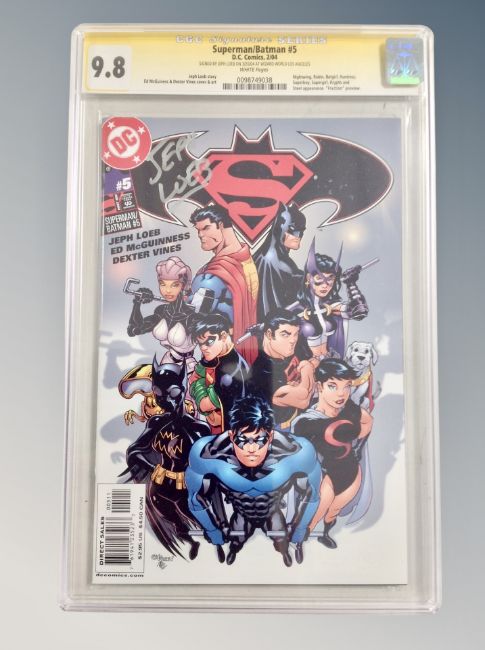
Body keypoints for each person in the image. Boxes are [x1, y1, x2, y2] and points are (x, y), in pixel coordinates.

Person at [185, 396, 321, 566]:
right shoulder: (208, 454)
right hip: (242, 513)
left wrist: (299, 529)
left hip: (272, 511)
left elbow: (312, 496)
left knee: (281, 540)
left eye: (259, 439)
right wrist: (213, 529)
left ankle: (286, 551)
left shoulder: (296, 452)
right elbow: (195, 500)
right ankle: (233, 550)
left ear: (270, 436)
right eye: (243, 440)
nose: (251, 449)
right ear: (231, 436)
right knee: (237, 540)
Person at [119, 359, 212, 560]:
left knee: (201, 519)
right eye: (158, 394)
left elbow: (211, 460)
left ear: (183, 391)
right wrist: (151, 467)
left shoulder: (199, 428)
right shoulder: (156, 423)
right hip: (160, 487)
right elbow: (134, 451)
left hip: (187, 487)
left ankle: (214, 540)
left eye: (173, 393)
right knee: (173, 521)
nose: (165, 400)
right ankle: (191, 542)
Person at [291, 358, 373, 549]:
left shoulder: (350, 409)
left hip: (351, 472)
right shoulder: (305, 422)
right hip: (323, 476)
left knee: (333, 511)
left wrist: (357, 443)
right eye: (333, 386)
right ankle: (298, 543)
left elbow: (367, 421)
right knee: (313, 517)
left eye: (347, 386)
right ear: (320, 386)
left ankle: (325, 534)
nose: (341, 393)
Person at [189, 205, 259, 363]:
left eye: (206, 228)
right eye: (198, 230)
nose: (200, 235)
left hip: (224, 350)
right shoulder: (243, 256)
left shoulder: (214, 274)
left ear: (221, 225)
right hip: (240, 345)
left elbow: (194, 312)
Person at [295, 239, 369, 361]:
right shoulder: (297, 309)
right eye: (319, 278)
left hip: (330, 363)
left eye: (330, 279)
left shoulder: (331, 305)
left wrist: (350, 283)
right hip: (305, 366)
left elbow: (359, 311)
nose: (325, 285)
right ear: (309, 277)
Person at [126, 256, 196, 371]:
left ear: (183, 286)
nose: (167, 290)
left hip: (188, 367)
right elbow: (134, 330)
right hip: (167, 362)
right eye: (163, 284)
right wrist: (137, 302)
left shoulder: (191, 316)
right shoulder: (162, 311)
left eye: (174, 285)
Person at [248, 309, 314, 429]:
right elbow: (303, 401)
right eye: (285, 334)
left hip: (299, 417)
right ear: (269, 334)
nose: (293, 340)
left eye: (295, 334)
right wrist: (307, 369)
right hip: (276, 429)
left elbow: (314, 360)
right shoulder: (263, 370)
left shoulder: (289, 348)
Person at [188, 312, 249, 434]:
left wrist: (200, 387)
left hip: (231, 432)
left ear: (224, 336)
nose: (203, 348)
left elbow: (204, 405)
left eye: (209, 342)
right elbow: (193, 379)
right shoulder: (214, 356)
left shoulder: (231, 371)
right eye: (200, 344)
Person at [253, 203, 306, 320]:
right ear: (281, 229)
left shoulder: (263, 255)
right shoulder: (279, 261)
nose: (298, 236)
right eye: (293, 231)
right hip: (274, 323)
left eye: (301, 231)